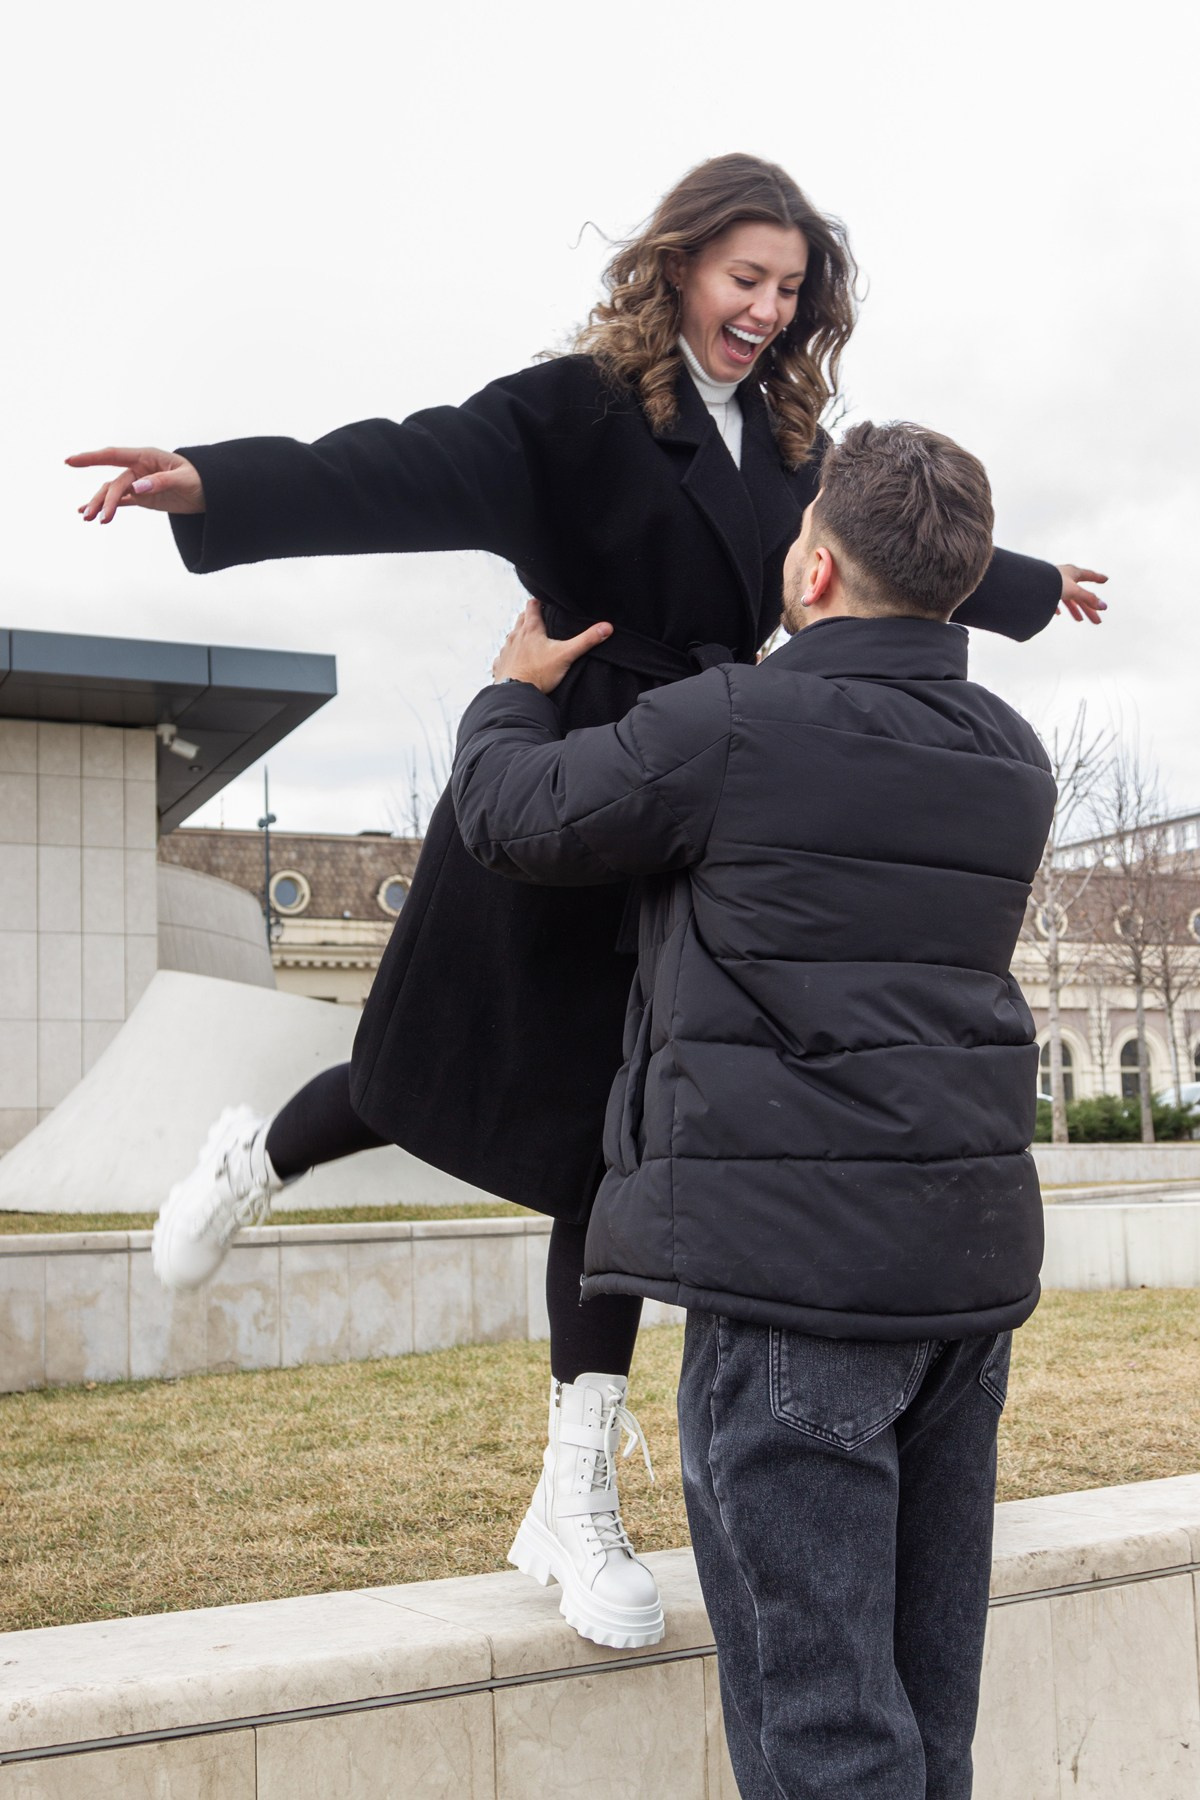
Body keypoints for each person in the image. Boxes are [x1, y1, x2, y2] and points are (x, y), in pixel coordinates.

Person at [65, 154, 1103, 1655]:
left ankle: (569, 1490)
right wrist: (216, 481)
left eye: (791, 289)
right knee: (410, 1077)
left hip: (687, 809)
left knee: (606, 1150)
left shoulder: (794, 440)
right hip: (554, 767)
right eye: (744, 276)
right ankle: (250, 1159)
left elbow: (887, 545)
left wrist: (1022, 584)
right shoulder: (574, 412)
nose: (765, 308)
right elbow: (400, 464)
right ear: (678, 264)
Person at [448, 420, 1060, 1798]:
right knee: (922, 1723)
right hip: (958, 1294)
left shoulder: (731, 725)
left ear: (814, 569)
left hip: (796, 1296)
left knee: (823, 1739)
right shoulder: (1013, 756)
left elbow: (513, 814)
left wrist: (509, 690)